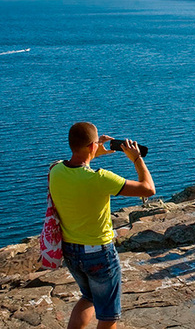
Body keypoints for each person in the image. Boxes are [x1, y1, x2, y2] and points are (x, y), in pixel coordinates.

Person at [49, 122, 156, 329]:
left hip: (70, 251)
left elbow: (76, 165)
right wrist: (137, 159)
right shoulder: (100, 178)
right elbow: (148, 189)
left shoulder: (55, 170)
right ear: (92, 146)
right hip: (99, 253)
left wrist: (93, 152)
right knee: (108, 315)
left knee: (88, 297)